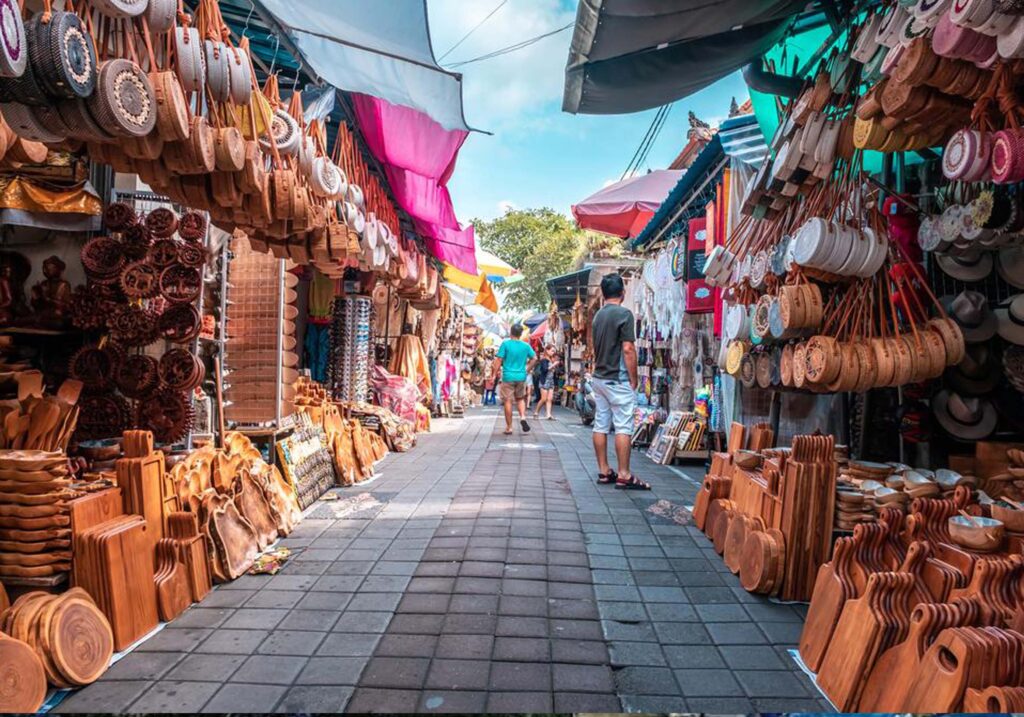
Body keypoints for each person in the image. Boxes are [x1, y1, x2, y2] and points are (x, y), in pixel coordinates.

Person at [591, 273, 650, 490]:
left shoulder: (597, 316)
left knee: (601, 423)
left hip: (599, 378)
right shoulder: (624, 314)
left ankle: (604, 470)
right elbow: (628, 349)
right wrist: (634, 378)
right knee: (623, 426)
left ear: (604, 293)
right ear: (623, 293)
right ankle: (624, 473)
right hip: (618, 379)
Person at [493, 324, 536, 434]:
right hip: (521, 376)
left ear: (511, 333)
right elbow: (534, 358)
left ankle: (509, 427)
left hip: (508, 376)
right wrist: (527, 370)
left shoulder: (506, 344)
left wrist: (494, 374)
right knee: (520, 398)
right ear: (521, 334)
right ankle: (522, 417)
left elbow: (498, 360)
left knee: (508, 401)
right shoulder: (525, 346)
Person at [533, 348, 560, 420]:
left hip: (551, 381)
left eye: (554, 351)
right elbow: (545, 370)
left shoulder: (551, 360)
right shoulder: (544, 360)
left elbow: (553, 371)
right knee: (543, 399)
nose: (553, 352)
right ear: (547, 351)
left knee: (549, 399)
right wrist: (553, 365)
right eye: (552, 350)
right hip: (544, 381)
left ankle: (548, 414)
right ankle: (536, 412)